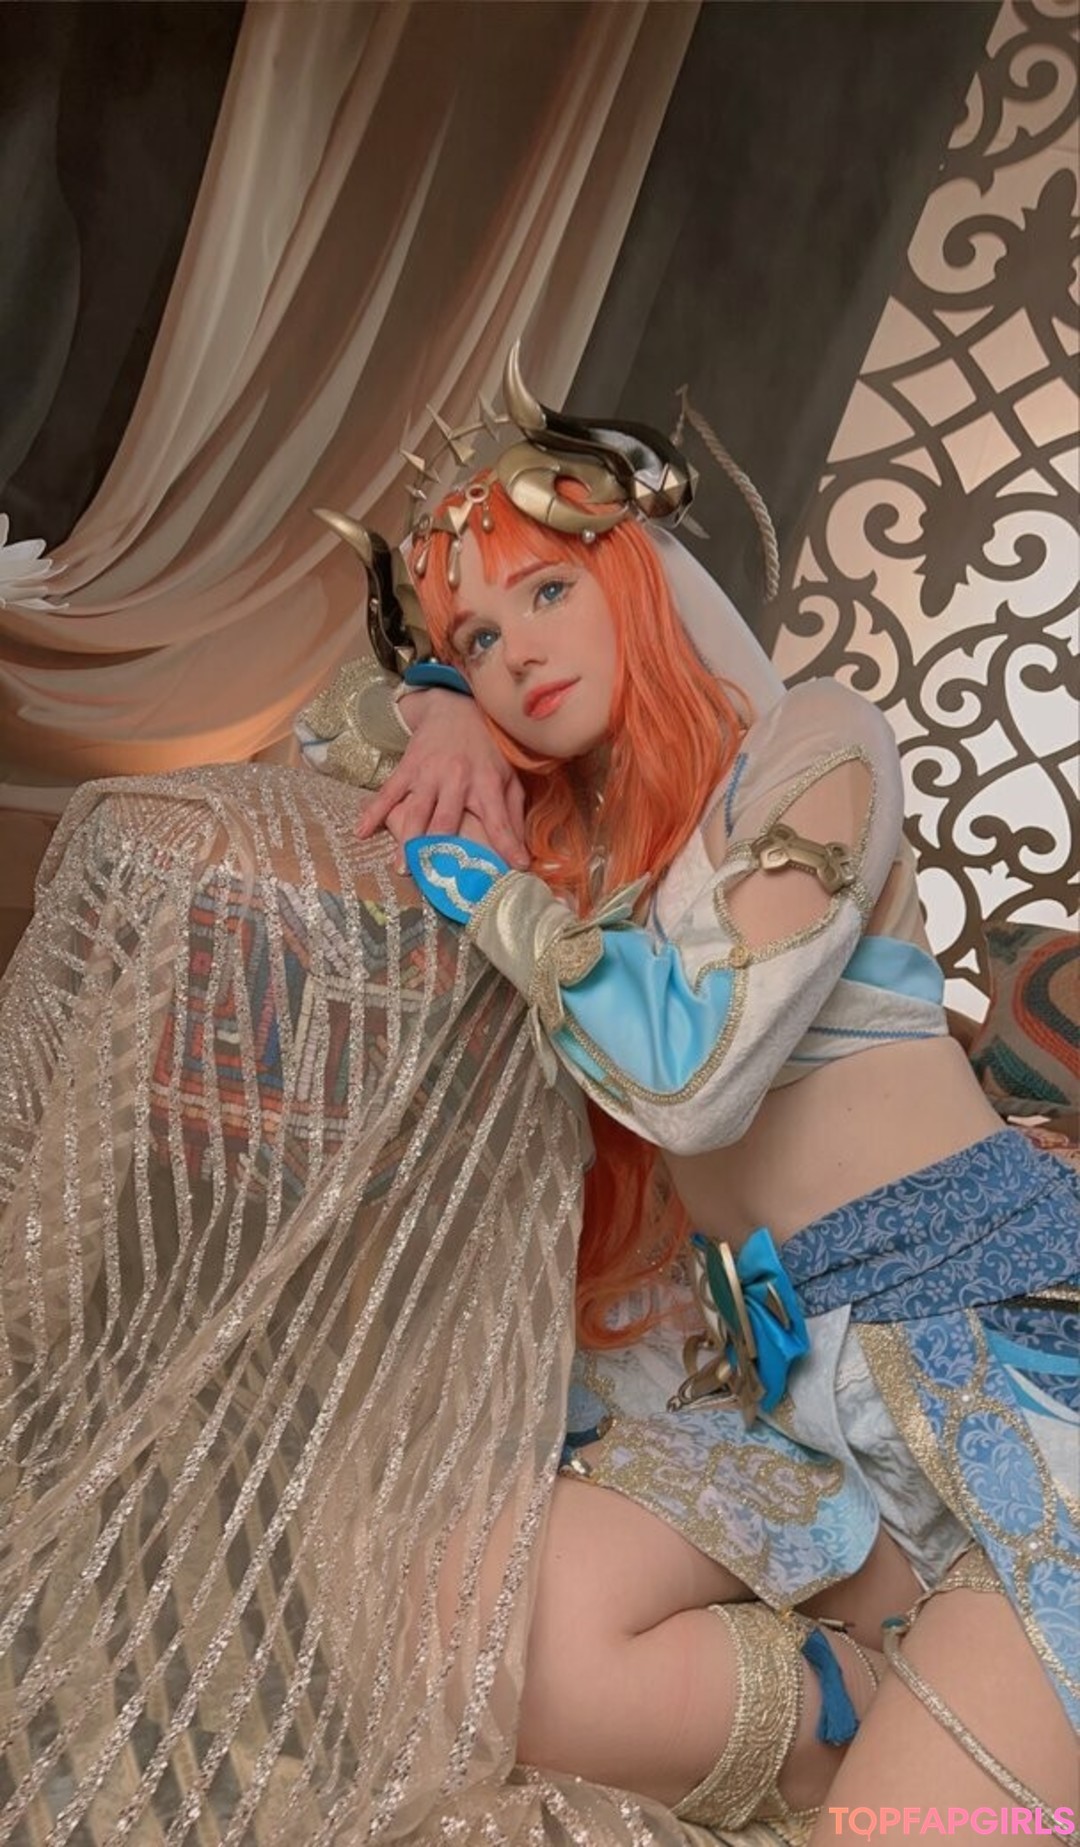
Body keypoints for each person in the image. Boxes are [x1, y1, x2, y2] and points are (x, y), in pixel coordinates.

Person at [307, 351, 1079, 1841]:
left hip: (1011, 1381)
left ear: (637, 572)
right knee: (477, 1625)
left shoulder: (818, 746)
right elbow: (322, 731)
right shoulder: (601, 846)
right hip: (798, 1404)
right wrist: (434, 709)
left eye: (549, 590)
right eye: (478, 636)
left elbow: (699, 1075)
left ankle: (937, 1727)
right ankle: (870, 1698)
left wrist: (496, 901)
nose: (518, 655)